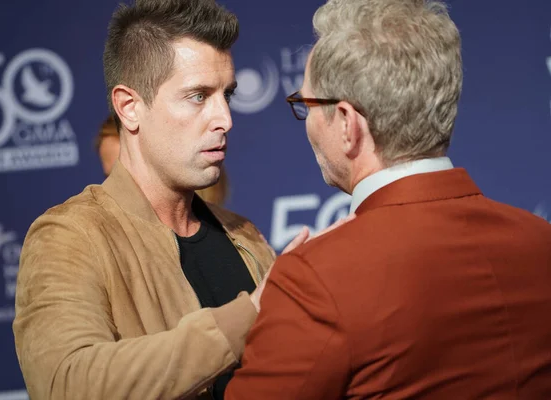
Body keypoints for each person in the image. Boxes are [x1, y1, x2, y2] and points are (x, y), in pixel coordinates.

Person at [225, 0, 551, 399]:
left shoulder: (315, 278)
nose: (306, 120)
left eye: (306, 105)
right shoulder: (541, 243)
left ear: (347, 123)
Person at [12, 1, 311, 399]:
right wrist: (248, 314)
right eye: (198, 96)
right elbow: (68, 383)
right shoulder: (69, 237)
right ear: (129, 107)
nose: (225, 118)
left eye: (227, 95)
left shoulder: (246, 238)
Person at [95, 115, 231, 205]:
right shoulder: (94, 240)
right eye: (112, 177)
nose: (119, 189)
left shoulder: (240, 240)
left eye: (134, 174)